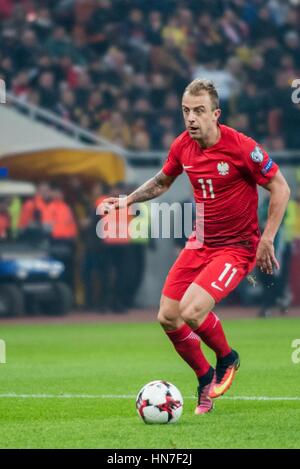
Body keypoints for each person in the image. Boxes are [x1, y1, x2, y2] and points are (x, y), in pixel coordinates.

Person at [100, 78, 290, 415]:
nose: (191, 118)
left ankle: (227, 357)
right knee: (168, 317)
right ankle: (204, 379)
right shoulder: (182, 146)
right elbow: (161, 181)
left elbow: (280, 187)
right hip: (200, 243)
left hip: (236, 247)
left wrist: (268, 237)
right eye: (186, 111)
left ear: (216, 114)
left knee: (191, 311)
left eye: (199, 111)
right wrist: (127, 200)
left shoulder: (242, 147)